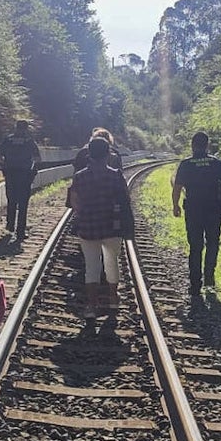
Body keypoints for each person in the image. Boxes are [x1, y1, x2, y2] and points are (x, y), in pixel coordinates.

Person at [68, 136, 132, 320]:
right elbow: (125, 199)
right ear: (108, 154)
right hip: (113, 226)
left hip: (88, 227)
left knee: (91, 266)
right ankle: (113, 298)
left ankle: (91, 305)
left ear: (89, 154)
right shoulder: (116, 175)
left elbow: (75, 202)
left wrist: (84, 214)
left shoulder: (79, 176)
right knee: (112, 261)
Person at [172, 131, 221, 295]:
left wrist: (175, 205)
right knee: (212, 244)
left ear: (192, 145)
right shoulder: (215, 163)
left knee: (195, 246)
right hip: (213, 209)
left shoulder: (186, 164)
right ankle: (209, 278)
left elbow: (177, 187)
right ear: (207, 145)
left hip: (193, 210)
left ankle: (195, 283)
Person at [0, 119, 41, 240]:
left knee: (11, 201)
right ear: (26, 129)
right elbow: (37, 158)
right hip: (25, 176)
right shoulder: (29, 141)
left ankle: (10, 226)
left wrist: (5, 164)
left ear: (15, 127)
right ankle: (20, 231)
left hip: (10, 174)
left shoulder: (8, 140)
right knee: (23, 204)